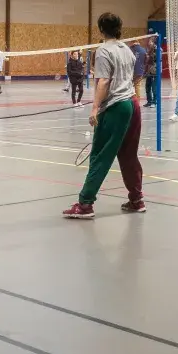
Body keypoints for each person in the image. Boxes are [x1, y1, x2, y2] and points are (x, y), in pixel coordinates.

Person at [63, 12, 145, 219]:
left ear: (101, 29)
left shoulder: (103, 51)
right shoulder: (127, 49)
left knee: (100, 155)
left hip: (116, 107)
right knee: (129, 155)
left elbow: (104, 82)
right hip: (133, 105)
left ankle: (85, 204)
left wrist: (94, 109)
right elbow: (136, 75)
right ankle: (136, 200)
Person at [144, 37, 157, 108]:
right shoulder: (148, 50)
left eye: (150, 42)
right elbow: (147, 61)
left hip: (155, 72)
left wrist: (149, 56)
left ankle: (154, 102)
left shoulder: (158, 49)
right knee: (147, 87)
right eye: (148, 42)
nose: (149, 43)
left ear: (153, 42)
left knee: (154, 88)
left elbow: (156, 60)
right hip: (149, 72)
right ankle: (149, 101)